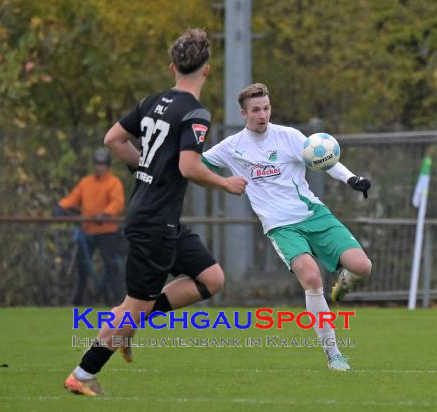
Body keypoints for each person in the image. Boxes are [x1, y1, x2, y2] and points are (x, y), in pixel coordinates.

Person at [64, 28, 247, 396]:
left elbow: (112, 139)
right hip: (154, 223)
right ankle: (83, 373)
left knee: (211, 279)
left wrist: (143, 166)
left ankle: (128, 323)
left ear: (172, 67)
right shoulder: (195, 112)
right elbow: (189, 167)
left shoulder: (152, 101)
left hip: (158, 220)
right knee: (135, 304)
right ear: (207, 71)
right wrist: (227, 184)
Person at [201, 83, 372, 372]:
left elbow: (323, 158)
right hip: (281, 226)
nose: (262, 115)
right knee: (311, 276)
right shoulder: (232, 147)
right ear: (244, 113)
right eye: (255, 110)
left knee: (362, 266)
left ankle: (343, 285)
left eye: (266, 108)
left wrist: (352, 179)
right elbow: (196, 164)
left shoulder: (289, 137)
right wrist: (217, 180)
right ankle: (334, 355)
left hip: (313, 213)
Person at [54, 148, 126, 306]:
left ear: (108, 166)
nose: (100, 167)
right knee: (82, 266)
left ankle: (117, 301)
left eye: (103, 164)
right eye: (97, 164)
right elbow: (73, 197)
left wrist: (107, 214)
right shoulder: (86, 182)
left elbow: (117, 203)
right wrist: (61, 206)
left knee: (111, 265)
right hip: (88, 229)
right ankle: (77, 301)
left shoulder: (114, 183)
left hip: (107, 230)